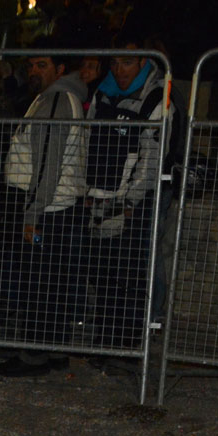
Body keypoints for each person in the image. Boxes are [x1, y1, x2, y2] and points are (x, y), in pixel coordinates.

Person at [0, 38, 89, 376]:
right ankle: (52, 351)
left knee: (37, 283)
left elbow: (47, 162)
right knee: (53, 282)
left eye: (42, 65)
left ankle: (34, 357)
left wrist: (32, 213)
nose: (34, 71)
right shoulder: (61, 97)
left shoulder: (55, 100)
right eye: (31, 65)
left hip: (47, 209)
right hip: (57, 206)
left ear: (60, 68)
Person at [82, 32, 169, 348]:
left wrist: (130, 200)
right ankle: (105, 342)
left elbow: (153, 155)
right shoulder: (103, 94)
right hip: (99, 195)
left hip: (132, 202)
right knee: (104, 275)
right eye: (115, 62)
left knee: (130, 276)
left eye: (128, 62)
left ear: (144, 62)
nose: (120, 70)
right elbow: (87, 140)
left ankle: (127, 346)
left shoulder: (156, 97)